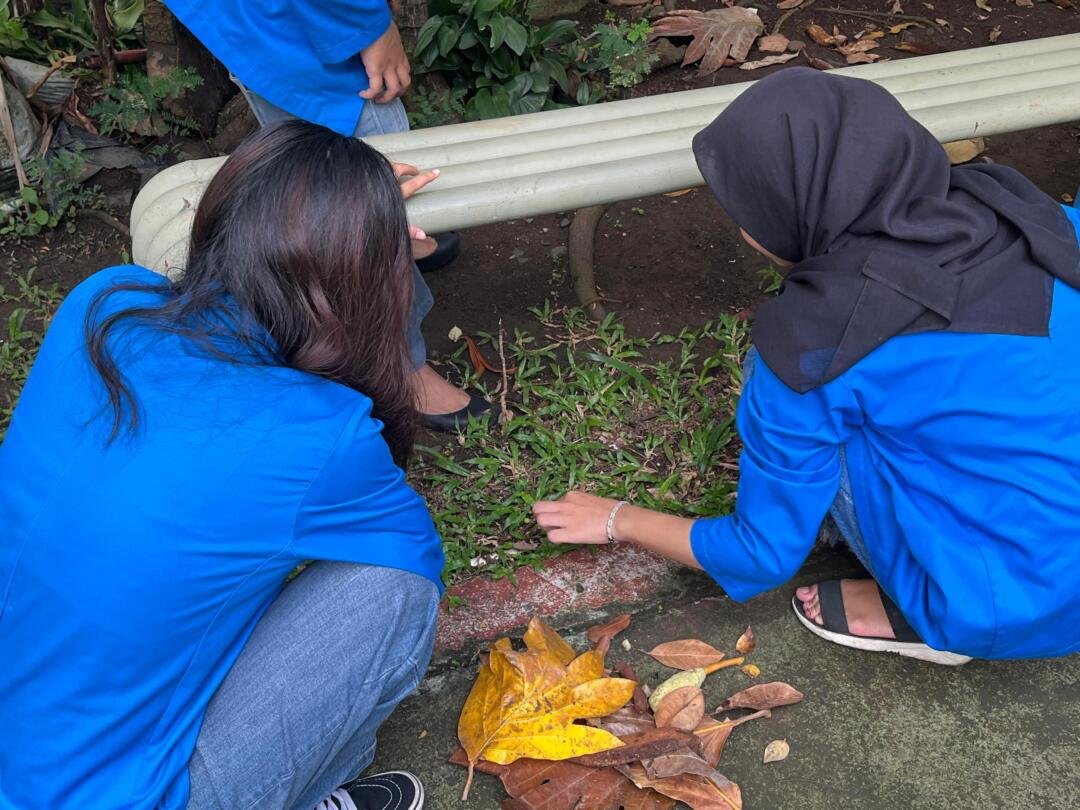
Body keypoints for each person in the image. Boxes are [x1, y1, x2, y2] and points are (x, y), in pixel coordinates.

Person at [533, 68, 1080, 666]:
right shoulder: (1036, 214)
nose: (743, 226)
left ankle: (934, 615)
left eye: (748, 207)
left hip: (1014, 607)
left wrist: (617, 518)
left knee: (821, 418)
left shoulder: (814, 350)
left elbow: (759, 552)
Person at [0, 122, 446, 809]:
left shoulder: (104, 303)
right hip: (121, 797)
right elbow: (410, 559)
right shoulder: (321, 432)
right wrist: (363, 253)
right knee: (393, 588)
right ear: (360, 287)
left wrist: (332, 219)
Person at [160, 0, 489, 431]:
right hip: (313, 31)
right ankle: (397, 364)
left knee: (331, 171)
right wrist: (367, 26)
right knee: (360, 197)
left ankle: (406, 250)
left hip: (260, 23)